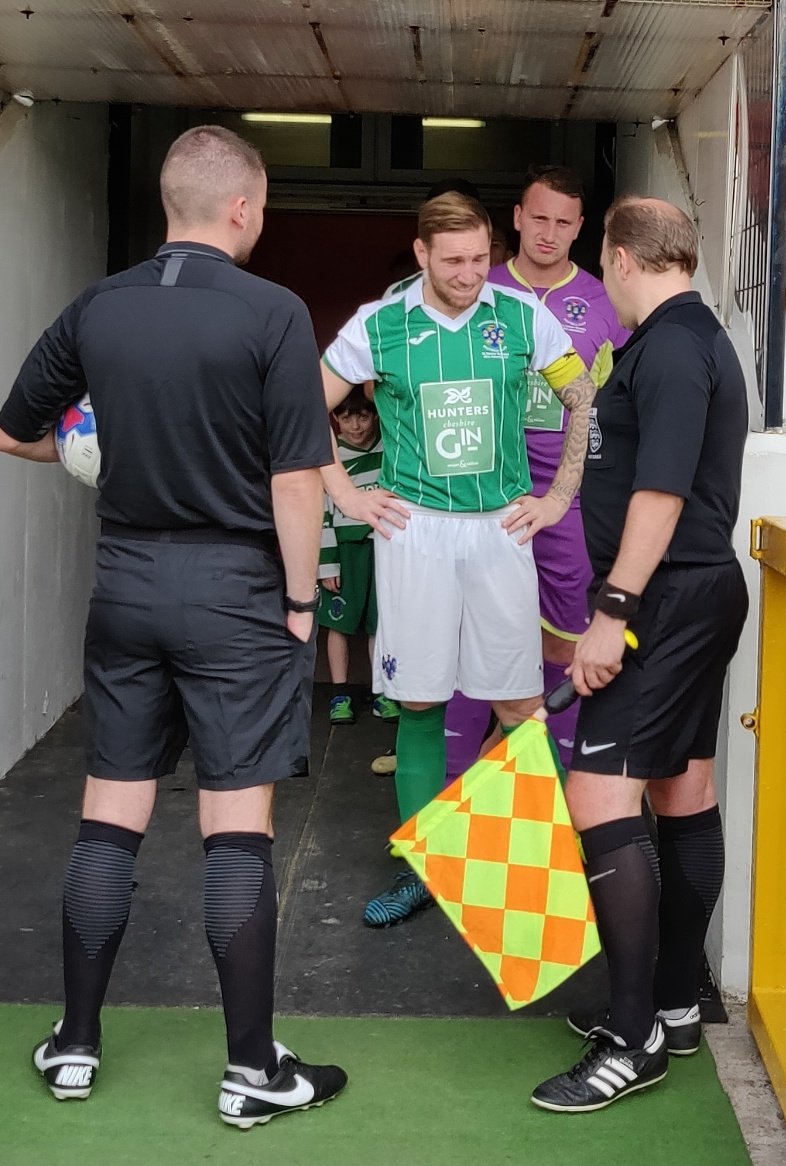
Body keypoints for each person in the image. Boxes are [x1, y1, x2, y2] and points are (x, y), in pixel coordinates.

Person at [0, 125, 347, 1127]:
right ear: (240, 207)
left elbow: (17, 430)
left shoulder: (99, 305)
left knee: (110, 815)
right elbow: (295, 478)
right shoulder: (273, 312)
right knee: (235, 829)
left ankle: (74, 1044)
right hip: (235, 591)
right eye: (263, 205)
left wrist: (95, 451)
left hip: (126, 581)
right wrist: (298, 600)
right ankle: (251, 1071)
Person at [319, 192, 596, 927]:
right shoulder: (380, 323)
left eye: (479, 258)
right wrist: (344, 492)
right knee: (419, 701)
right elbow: (301, 402)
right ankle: (425, 871)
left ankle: (540, 863)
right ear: (422, 255)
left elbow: (583, 396)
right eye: (453, 262)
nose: (471, 274)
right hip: (415, 532)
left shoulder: (521, 316)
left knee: (519, 705)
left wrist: (558, 497)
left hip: (499, 530)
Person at [531, 197, 749, 1113]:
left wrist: (611, 613)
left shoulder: (670, 348)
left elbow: (660, 492)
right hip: (690, 595)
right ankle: (673, 1002)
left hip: (661, 602)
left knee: (599, 795)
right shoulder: (690, 339)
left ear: (621, 257)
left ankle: (634, 1040)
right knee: (682, 789)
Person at [445, 165, 631, 779]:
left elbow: (619, 405)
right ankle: (452, 790)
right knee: (469, 637)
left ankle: (554, 791)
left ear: (580, 228)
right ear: (518, 218)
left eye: (563, 222)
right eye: (540, 218)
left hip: (565, 499)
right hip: (479, 495)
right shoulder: (477, 286)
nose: (549, 233)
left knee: (565, 639)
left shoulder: (605, 302)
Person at [318, 385, 399, 725]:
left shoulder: (391, 450)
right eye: (347, 418)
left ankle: (382, 693)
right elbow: (321, 513)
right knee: (339, 623)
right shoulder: (331, 456)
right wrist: (327, 564)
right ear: (334, 419)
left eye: (363, 416)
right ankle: (340, 694)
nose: (355, 426)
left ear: (375, 416)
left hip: (382, 547)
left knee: (380, 622)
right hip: (344, 551)